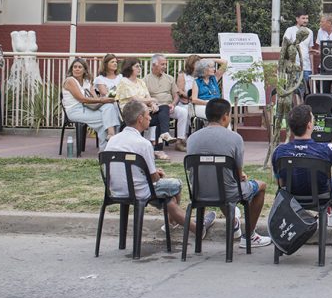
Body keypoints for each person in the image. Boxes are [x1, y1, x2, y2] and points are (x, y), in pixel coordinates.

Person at [105, 100, 215, 237]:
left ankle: (175, 223)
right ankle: (187, 226)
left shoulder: (113, 140)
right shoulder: (143, 144)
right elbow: (154, 179)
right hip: (140, 191)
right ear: (140, 119)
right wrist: (158, 174)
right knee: (175, 185)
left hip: (115, 190)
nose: (150, 118)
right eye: (148, 115)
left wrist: (150, 172)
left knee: (169, 199)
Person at [185, 98, 271, 248]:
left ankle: (234, 224)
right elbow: (238, 174)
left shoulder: (192, 138)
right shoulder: (235, 138)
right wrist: (242, 176)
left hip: (199, 192)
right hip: (228, 192)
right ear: (225, 116)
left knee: (223, 183)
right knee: (260, 186)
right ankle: (249, 236)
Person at [271, 104, 332, 237]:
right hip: (322, 195)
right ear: (310, 125)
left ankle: (326, 210)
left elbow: (280, 183)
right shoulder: (327, 149)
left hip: (291, 196)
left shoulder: (279, 151)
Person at [114, 58, 170, 160]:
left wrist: (153, 104)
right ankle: (160, 144)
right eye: (137, 66)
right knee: (159, 114)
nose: (140, 68)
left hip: (144, 112)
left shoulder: (141, 82)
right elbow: (135, 99)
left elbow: (147, 97)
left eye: (140, 66)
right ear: (129, 68)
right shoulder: (124, 82)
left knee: (164, 109)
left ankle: (161, 141)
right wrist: (152, 99)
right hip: (131, 113)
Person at [61, 57, 121, 145]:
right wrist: (101, 99)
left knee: (109, 107)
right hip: (75, 110)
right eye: (75, 67)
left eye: (79, 67)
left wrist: (104, 98)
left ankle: (110, 139)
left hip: (87, 108)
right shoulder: (70, 81)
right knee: (107, 119)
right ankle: (107, 147)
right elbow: (81, 99)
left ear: (85, 70)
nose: (77, 69)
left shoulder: (86, 82)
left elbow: (95, 98)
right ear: (72, 69)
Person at [146, 54, 190, 152]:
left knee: (183, 112)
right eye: (162, 64)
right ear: (154, 65)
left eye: (165, 64)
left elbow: (176, 95)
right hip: (155, 107)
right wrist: (152, 104)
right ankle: (155, 142)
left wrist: (173, 104)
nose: (165, 67)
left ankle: (180, 141)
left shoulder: (169, 78)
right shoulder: (146, 80)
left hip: (169, 106)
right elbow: (146, 97)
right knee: (158, 113)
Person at [283, 10, 315, 96]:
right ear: (297, 19)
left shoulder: (310, 32)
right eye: (303, 18)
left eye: (307, 18)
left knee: (305, 90)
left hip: (306, 66)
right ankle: (296, 108)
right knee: (294, 90)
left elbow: (310, 50)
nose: (306, 20)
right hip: (294, 66)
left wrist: (312, 68)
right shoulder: (290, 30)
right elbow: (285, 47)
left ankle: (303, 108)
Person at [190, 58, 228, 123]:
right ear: (204, 69)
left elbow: (225, 63)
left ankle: (225, 132)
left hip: (216, 105)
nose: (214, 69)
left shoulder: (214, 78)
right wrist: (209, 103)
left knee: (224, 116)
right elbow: (194, 99)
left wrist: (210, 59)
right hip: (202, 105)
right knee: (218, 116)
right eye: (211, 67)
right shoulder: (197, 82)